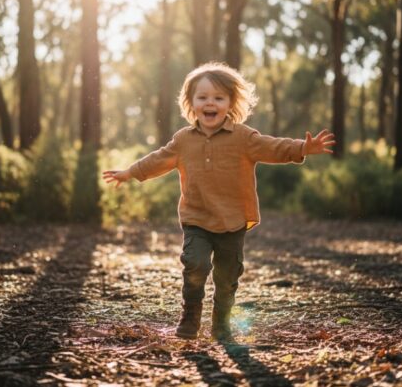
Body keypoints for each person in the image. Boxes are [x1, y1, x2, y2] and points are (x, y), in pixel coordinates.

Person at [102, 62, 335, 342]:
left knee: (227, 279)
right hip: (196, 219)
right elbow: (157, 159)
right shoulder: (183, 140)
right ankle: (190, 315)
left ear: (230, 103)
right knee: (195, 265)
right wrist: (130, 172)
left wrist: (301, 148)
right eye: (202, 97)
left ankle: (221, 324)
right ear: (191, 103)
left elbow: (273, 147)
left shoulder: (244, 137)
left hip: (233, 221)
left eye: (218, 97)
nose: (210, 103)